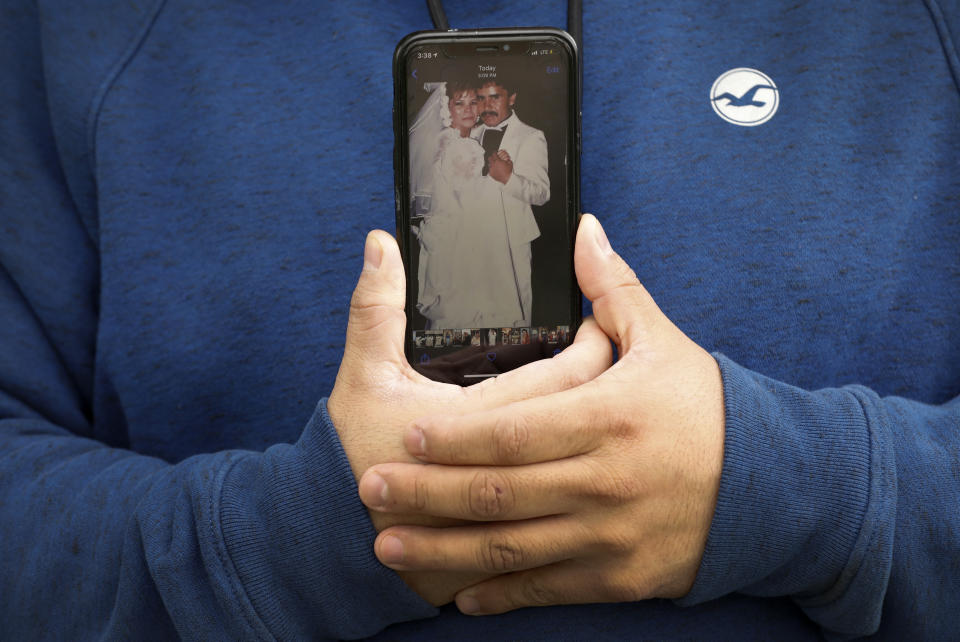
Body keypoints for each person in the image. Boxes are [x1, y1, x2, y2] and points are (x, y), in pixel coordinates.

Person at [1, 2, 959, 641]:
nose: (485, 102)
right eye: (475, 97)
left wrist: (794, 486)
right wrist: (283, 534)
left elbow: (531, 184)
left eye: (495, 96)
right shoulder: (72, 29)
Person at [414, 77, 525, 328]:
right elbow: (463, 190)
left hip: (469, 226)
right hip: (459, 230)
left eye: (473, 102)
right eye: (459, 103)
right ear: (446, 108)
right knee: (465, 298)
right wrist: (499, 176)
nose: (469, 109)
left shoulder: (468, 138)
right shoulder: (449, 143)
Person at [472, 74, 551, 327]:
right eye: (481, 99)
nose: (487, 106)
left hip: (511, 238)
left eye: (495, 97)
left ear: (512, 98)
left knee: (515, 314)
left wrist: (509, 178)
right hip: (471, 235)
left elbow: (541, 193)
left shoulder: (531, 136)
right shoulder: (467, 134)